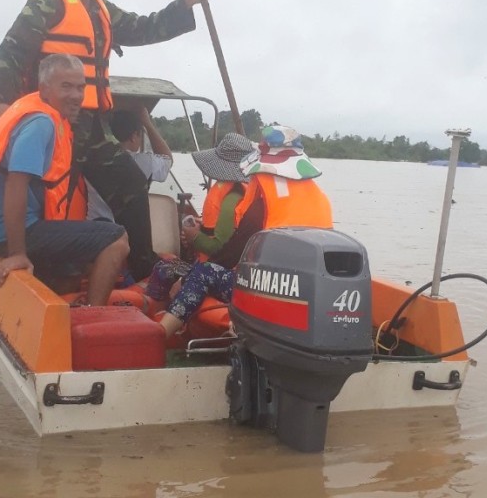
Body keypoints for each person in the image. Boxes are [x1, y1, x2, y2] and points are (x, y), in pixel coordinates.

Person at [0, 0, 210, 281]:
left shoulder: (104, 10)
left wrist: (187, 2)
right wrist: (1, 101)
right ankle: (34, 259)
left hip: (91, 123)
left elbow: (144, 27)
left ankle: (142, 265)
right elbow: (12, 48)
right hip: (51, 118)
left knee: (131, 181)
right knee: (49, 190)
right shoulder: (50, 1)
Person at [0, 54, 129, 306]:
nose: (76, 95)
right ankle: (93, 315)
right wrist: (16, 253)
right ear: (45, 88)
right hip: (3, 234)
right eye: (66, 86)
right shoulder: (41, 123)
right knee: (116, 238)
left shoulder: (38, 111)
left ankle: (66, 301)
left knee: (93, 233)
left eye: (80, 87)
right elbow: (16, 185)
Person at [155, 125, 332, 338]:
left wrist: (185, 279)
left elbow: (232, 253)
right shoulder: (318, 198)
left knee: (204, 273)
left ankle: (161, 335)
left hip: (269, 291)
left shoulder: (265, 202)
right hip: (307, 289)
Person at [146, 132, 255, 312]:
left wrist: (193, 237)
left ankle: (155, 315)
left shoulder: (231, 200)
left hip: (222, 269)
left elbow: (219, 249)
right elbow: (222, 231)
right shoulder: (239, 193)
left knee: (164, 269)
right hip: (220, 265)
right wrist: (201, 226)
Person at [86, 107, 173, 223]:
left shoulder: (91, 159)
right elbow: (168, 159)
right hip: (128, 231)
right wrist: (147, 123)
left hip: (95, 228)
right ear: (133, 136)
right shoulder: (143, 162)